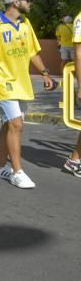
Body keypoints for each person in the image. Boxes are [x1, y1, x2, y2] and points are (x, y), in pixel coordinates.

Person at [0, 0, 56, 189]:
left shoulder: (26, 25)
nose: (30, 3)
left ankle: (0, 167)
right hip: (2, 82)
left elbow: (32, 53)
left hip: (22, 83)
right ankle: (17, 171)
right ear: (16, 2)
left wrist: (45, 73)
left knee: (9, 125)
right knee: (17, 124)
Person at [61, 9, 81, 177]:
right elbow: (78, 53)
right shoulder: (80, 19)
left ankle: (74, 160)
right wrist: (80, 86)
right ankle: (73, 160)